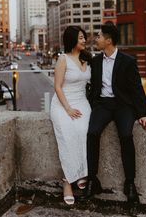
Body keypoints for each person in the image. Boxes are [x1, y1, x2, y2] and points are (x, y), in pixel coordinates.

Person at [84, 22, 146, 203]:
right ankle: (92, 179)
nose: (96, 39)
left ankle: (130, 182)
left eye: (99, 36)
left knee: (125, 135)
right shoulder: (95, 60)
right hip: (103, 105)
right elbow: (91, 86)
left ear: (108, 40)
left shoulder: (128, 61)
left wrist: (143, 114)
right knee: (92, 133)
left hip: (123, 105)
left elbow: (137, 89)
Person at [50, 26, 91, 205]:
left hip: (82, 102)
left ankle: (81, 172)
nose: (84, 41)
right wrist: (67, 109)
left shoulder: (88, 58)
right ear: (72, 39)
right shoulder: (63, 59)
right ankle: (68, 182)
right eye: (81, 38)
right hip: (63, 103)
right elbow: (58, 86)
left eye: (84, 38)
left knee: (83, 132)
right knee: (67, 135)